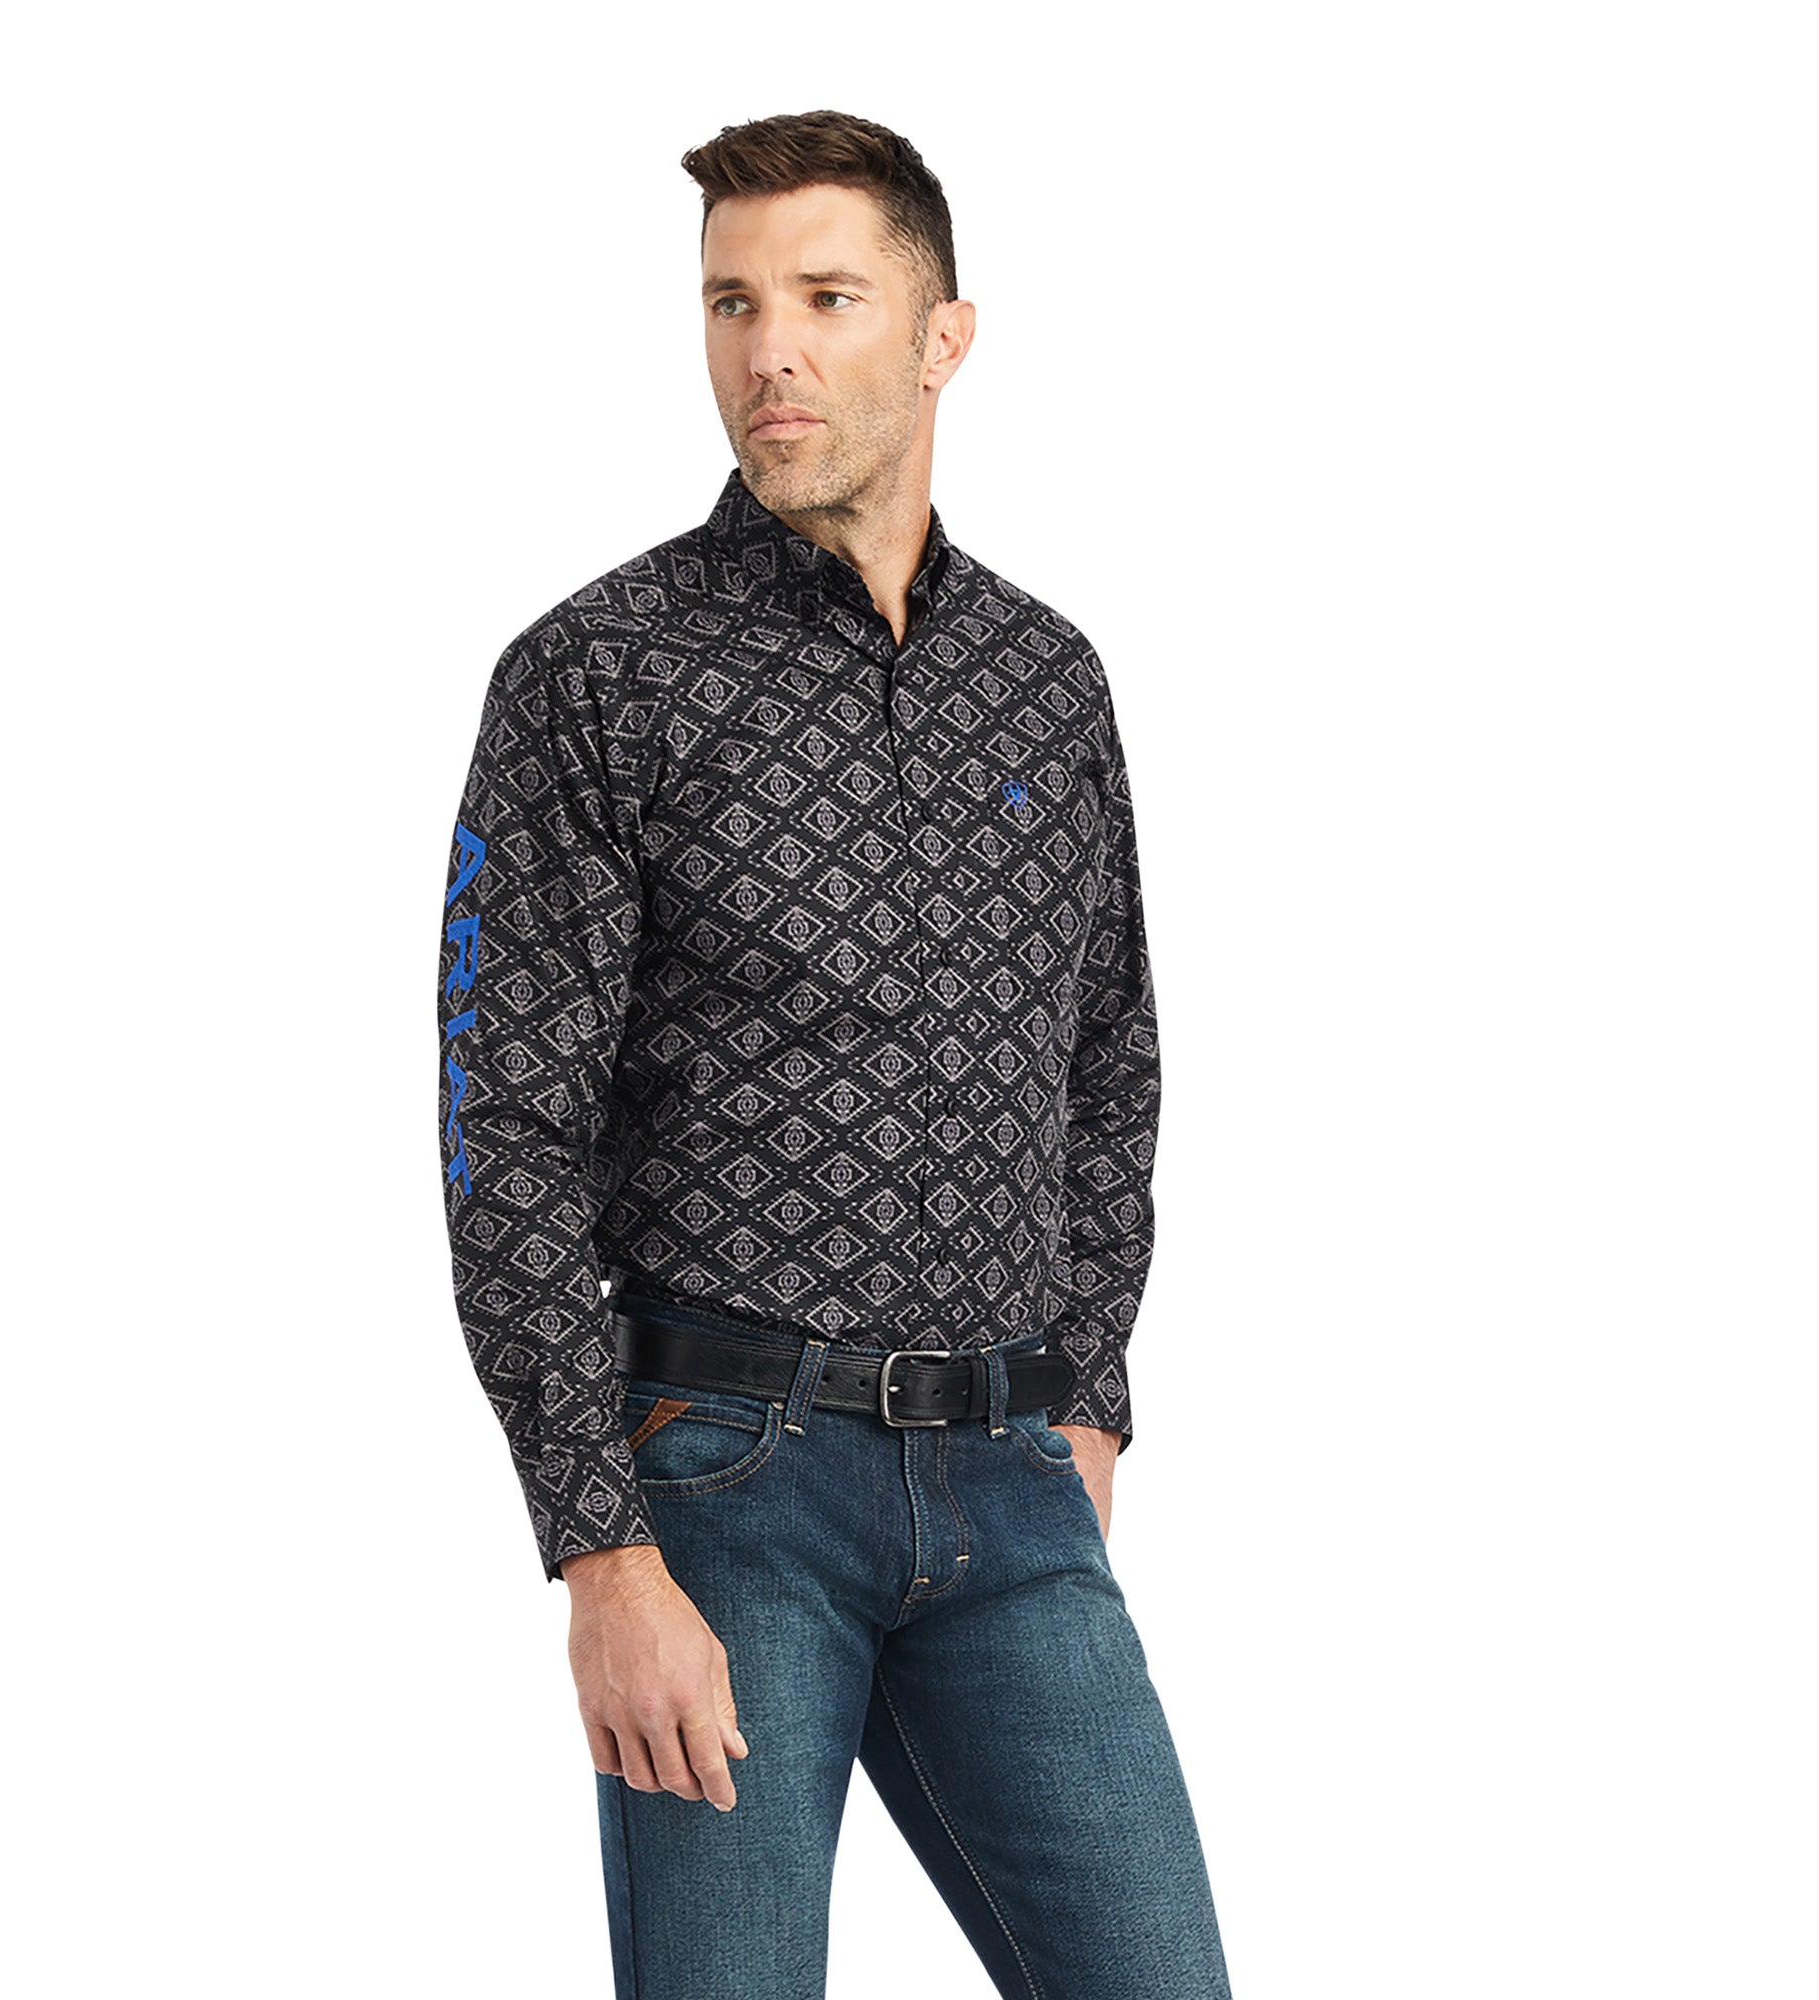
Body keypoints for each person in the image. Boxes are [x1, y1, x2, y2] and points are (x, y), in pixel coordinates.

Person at [437, 108, 1233, 2000]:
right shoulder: (597, 674)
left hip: (1014, 1489)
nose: (767, 352)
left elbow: (1109, 1057)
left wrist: (1088, 1402)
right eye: (730, 303)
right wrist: (601, 1559)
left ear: (944, 336)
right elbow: (506, 1132)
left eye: (823, 298)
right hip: (729, 1494)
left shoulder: (1046, 681)